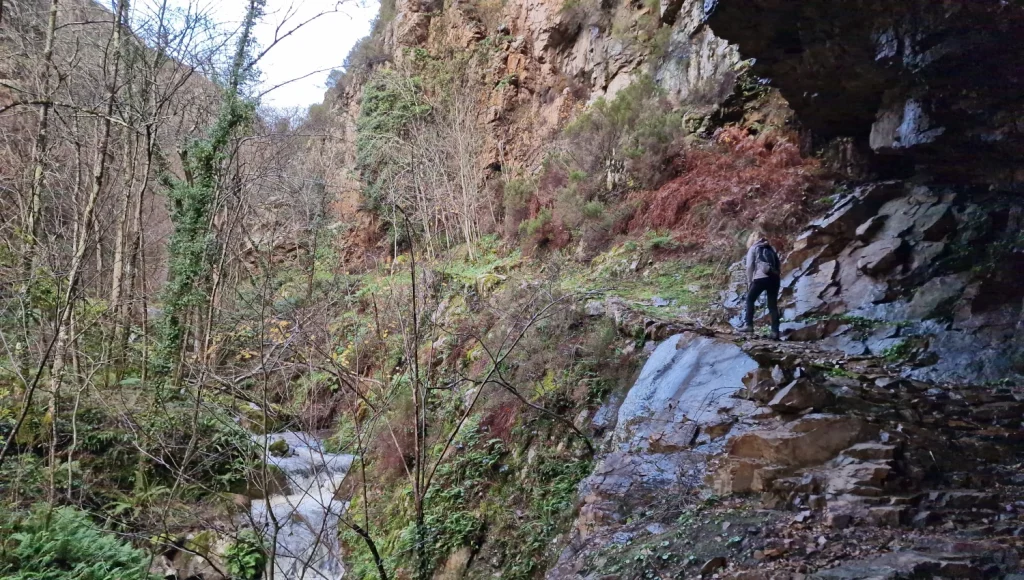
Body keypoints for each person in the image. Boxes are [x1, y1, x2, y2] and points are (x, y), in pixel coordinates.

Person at [740, 232, 781, 339]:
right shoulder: (770, 248)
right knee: (772, 306)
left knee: (750, 299)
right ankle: (775, 332)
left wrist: (750, 282)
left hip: (760, 278)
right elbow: (778, 263)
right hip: (774, 278)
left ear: (751, 239)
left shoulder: (754, 248)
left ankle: (749, 325)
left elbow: (749, 266)